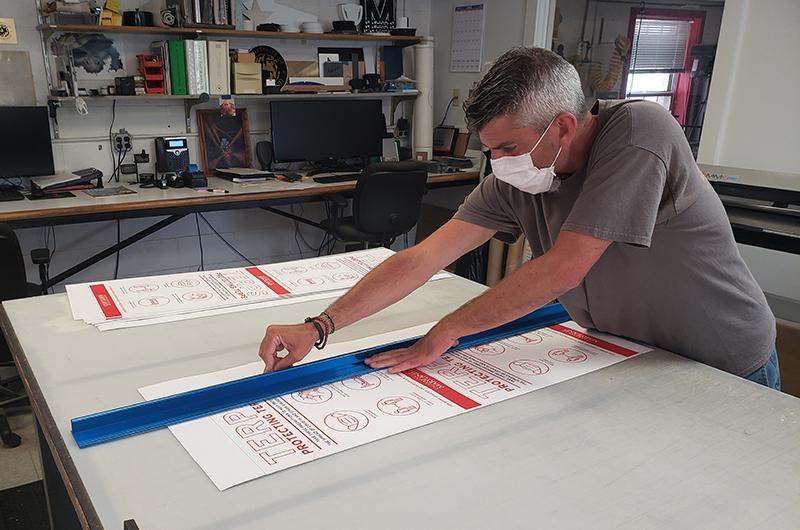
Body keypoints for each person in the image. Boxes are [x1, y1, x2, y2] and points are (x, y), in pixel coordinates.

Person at [259, 47, 780, 390]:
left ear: (563, 127)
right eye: (491, 150)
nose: (497, 164)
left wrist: (448, 331)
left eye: (508, 146)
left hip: (723, 360)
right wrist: (319, 326)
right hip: (634, 357)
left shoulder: (640, 133)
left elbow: (564, 267)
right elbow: (422, 259)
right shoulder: (518, 178)